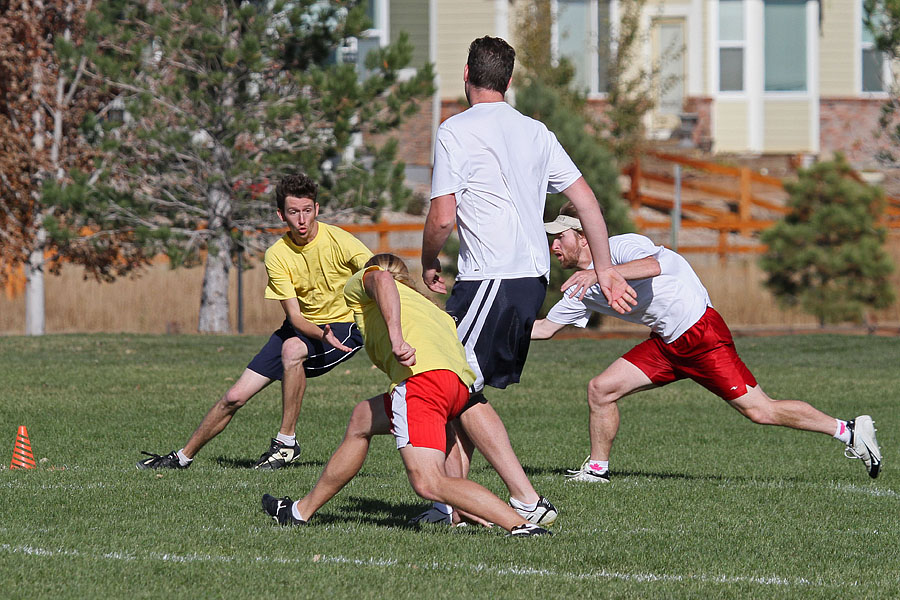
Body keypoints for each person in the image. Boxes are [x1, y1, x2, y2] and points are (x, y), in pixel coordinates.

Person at [413, 36, 637, 523]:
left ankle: (524, 498)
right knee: (462, 385)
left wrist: (427, 258)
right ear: (510, 83)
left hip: (490, 279)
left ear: (466, 76)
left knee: (452, 383)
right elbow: (589, 205)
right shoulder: (536, 131)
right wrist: (605, 270)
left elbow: (442, 216)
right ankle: (452, 505)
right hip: (529, 281)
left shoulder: (454, 129)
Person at [532, 202, 883, 482]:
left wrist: (600, 272)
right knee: (601, 389)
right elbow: (546, 328)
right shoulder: (579, 286)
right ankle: (597, 471)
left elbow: (652, 266)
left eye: (559, 237)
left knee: (760, 411)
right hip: (666, 344)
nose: (553, 246)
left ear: (581, 236)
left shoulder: (619, 247)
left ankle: (848, 431)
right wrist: (489, 328)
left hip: (701, 334)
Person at [261, 254, 551, 536]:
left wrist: (396, 337)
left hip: (422, 384)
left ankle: (521, 525)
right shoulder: (430, 307)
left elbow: (382, 280)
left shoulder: (364, 281)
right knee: (363, 418)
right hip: (456, 388)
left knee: (428, 483)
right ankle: (300, 512)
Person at [137, 174, 372, 470]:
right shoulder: (277, 254)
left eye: (307, 210)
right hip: (306, 328)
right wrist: (319, 335)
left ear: (317, 208)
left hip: (343, 327)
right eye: (293, 212)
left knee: (292, 351)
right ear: (281, 214)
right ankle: (182, 457)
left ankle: (286, 444)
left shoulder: (339, 240)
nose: (302, 219)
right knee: (234, 396)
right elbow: (296, 318)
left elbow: (379, 272)